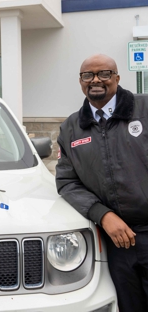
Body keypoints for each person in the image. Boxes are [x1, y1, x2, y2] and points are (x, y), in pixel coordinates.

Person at [56, 53, 148, 312]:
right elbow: (67, 182)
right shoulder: (71, 128)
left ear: (117, 78)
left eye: (104, 73)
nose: (96, 80)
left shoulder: (144, 110)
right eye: (88, 75)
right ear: (81, 82)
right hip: (113, 242)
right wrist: (103, 215)